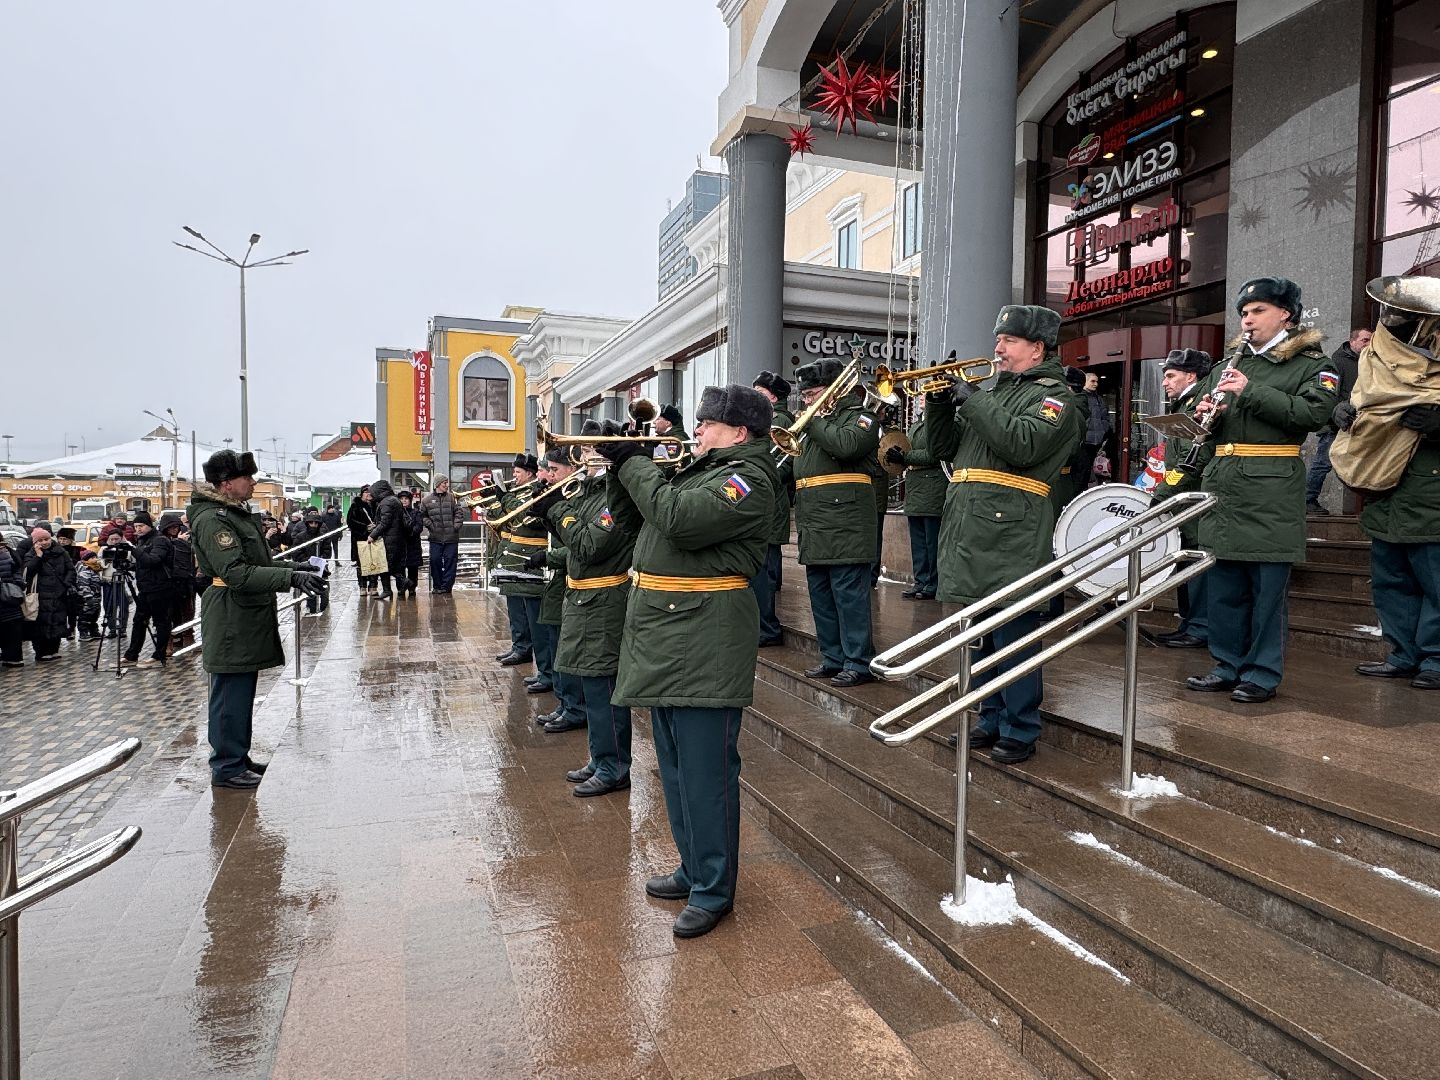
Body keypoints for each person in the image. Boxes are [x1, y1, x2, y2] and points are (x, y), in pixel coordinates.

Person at [600, 383, 779, 938]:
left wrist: (636, 466)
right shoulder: (698, 469)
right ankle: (693, 866)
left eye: (706, 424)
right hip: (672, 634)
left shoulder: (748, 479)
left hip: (706, 637)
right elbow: (634, 519)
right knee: (675, 769)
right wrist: (619, 468)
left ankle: (714, 889)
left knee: (706, 775)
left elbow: (678, 519)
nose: (695, 431)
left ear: (740, 433)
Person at [929, 304, 1081, 765]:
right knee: (982, 634)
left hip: (1011, 529)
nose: (997, 349)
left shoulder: (1056, 397)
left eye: (1009, 341)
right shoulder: (997, 392)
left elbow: (1022, 443)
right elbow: (939, 449)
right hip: (973, 525)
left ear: (1037, 349)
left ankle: (1021, 725)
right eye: (998, 340)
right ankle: (990, 716)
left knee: (1014, 633)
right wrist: (939, 404)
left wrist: (973, 399)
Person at [1185, 277, 1338, 704]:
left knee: (1267, 589)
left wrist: (1250, 391)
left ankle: (1263, 672)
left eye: (1257, 311)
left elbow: (1311, 414)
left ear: (1285, 314)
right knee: (1225, 586)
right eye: (1244, 312)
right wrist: (1205, 416)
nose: (1247, 320)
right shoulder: (1224, 365)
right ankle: (1226, 663)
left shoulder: (1313, 365)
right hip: (1226, 480)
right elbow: (1211, 429)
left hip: (1271, 483)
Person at [189, 449, 324, 789]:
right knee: (229, 695)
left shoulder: (233, 514)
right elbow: (236, 573)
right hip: (231, 614)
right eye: (247, 478)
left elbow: (259, 563)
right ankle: (226, 766)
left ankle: (238, 756)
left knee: (241, 691)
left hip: (243, 613)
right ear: (226, 484)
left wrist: (297, 568)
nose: (253, 483)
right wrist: (290, 579)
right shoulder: (213, 520)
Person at [531, 437, 639, 795]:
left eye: (594, 453)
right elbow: (570, 543)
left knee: (602, 688)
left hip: (605, 600)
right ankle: (600, 757)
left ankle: (614, 766)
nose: (585, 459)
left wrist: (557, 510)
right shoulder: (590, 492)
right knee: (593, 689)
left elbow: (590, 546)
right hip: (584, 598)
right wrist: (550, 512)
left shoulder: (613, 496)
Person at [1337, 320, 1440, 689]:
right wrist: (1343, 413)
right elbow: (1365, 403)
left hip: (1431, 495)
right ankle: (1403, 654)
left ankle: (1435, 659)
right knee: (1390, 582)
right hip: (1386, 492)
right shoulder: (1380, 362)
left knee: (1435, 585)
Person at [791, 358, 881, 687]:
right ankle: (832, 657)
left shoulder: (862, 417)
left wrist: (811, 420)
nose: (806, 401)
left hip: (846, 522)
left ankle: (858, 661)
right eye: (804, 396)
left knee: (849, 596)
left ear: (832, 391)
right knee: (821, 595)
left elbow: (847, 446)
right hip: (815, 520)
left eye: (811, 393)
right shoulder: (819, 423)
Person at [1150, 349, 1215, 649]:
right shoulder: (1187, 403)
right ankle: (1189, 622)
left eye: (1171, 375)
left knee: (1196, 565)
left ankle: (1199, 625)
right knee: (1185, 561)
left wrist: (1163, 492)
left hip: (1196, 499)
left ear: (1191, 376)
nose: (1165, 382)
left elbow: (1192, 461)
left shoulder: (1200, 404)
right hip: (1185, 499)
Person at [526, 447, 589, 733]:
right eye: (548, 470)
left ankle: (574, 707)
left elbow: (581, 546)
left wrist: (548, 557)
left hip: (573, 580)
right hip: (560, 581)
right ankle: (565, 704)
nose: (549, 475)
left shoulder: (577, 496)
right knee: (557, 645)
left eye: (554, 470)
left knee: (566, 650)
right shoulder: (567, 495)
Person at [1305, 327, 1371, 515]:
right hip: (1336, 424)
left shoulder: (1369, 361)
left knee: (1364, 464)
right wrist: (1337, 414)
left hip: (1360, 422)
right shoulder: (1337, 361)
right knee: (1323, 463)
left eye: (1370, 340)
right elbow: (1329, 394)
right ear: (1353, 342)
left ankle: (1369, 505)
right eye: (1364, 340)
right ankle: (1307, 500)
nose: (1368, 344)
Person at [750, 370, 793, 645]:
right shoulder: (766, 420)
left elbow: (784, 464)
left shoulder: (779, 421)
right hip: (767, 499)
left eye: (760, 393)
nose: (755, 396)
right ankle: (763, 626)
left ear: (773, 396)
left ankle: (768, 628)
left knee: (766, 574)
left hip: (771, 500)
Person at [887, 410, 946, 601]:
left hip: (932, 488)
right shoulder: (918, 422)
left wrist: (905, 457)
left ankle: (933, 584)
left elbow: (937, 453)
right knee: (919, 542)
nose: (923, 396)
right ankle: (920, 581)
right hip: (915, 489)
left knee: (932, 541)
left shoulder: (942, 419)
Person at [495, 453, 545, 666]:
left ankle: (526, 649)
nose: (514, 477)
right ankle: (519, 645)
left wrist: (505, 498)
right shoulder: (519, 491)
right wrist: (498, 498)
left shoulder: (535, 491)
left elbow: (528, 518)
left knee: (530, 614)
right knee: (516, 608)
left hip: (529, 556)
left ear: (530, 474)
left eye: (517, 473)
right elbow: (502, 514)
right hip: (513, 553)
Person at [123, 510, 176, 669]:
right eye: (135, 526)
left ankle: (159, 655)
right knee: (139, 621)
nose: (137, 529)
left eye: (141, 526)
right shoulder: (142, 541)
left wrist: (132, 549)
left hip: (160, 587)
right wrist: (130, 566)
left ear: (149, 525)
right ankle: (132, 655)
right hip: (145, 588)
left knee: (160, 622)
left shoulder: (159, 540)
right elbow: (143, 564)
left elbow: (153, 561)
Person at [22, 524, 74, 662]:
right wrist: (38, 557)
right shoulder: (31, 555)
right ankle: (41, 652)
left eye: (46, 539)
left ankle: (53, 649)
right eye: (40, 541)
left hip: (59, 593)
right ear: (35, 543)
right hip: (41, 595)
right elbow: (27, 572)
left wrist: (66, 584)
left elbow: (70, 569)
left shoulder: (61, 552)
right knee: (41, 625)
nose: (44, 542)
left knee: (58, 621)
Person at [421, 476, 464, 593]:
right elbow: (422, 516)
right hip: (435, 537)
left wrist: (455, 527)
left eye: (447, 482)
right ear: (437, 484)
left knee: (451, 562)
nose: (447, 485)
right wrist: (431, 525)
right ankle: (437, 586)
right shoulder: (426, 500)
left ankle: (446, 587)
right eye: (444, 483)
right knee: (435, 561)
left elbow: (459, 513)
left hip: (451, 538)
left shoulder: (452, 498)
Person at [365, 480, 405, 600]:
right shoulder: (391, 500)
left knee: (386, 565)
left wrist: (373, 534)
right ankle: (388, 589)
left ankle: (401, 583)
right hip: (394, 538)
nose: (371, 496)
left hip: (389, 539)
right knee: (386, 565)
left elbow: (385, 523)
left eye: (373, 493)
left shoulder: (387, 502)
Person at [99, 531, 133, 639]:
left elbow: (133, 562)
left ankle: (122, 628)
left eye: (116, 539)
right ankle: (112, 629)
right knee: (108, 606)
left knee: (123, 605)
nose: (114, 541)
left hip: (122, 580)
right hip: (108, 581)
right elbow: (99, 561)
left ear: (121, 538)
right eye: (111, 539)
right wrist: (106, 561)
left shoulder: (128, 547)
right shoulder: (104, 549)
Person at [0, 535, 25, 667]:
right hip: (11, 596)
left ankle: (12, 657)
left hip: (8, 596)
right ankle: (12, 657)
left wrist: (17, 584)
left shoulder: (9, 553)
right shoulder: (9, 552)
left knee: (11, 628)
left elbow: (17, 571)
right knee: (11, 628)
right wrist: (18, 584)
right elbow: (17, 571)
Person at [347, 485, 376, 594]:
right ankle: (362, 586)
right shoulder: (355, 506)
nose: (368, 494)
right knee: (361, 563)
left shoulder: (375, 505)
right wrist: (365, 527)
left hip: (373, 538)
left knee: (374, 562)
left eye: (370, 492)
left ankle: (373, 586)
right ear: (361, 493)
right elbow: (350, 521)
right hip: (360, 539)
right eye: (366, 492)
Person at [396, 491, 424, 597]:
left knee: (413, 568)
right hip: (400, 545)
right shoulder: (396, 513)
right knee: (400, 567)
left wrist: (411, 533)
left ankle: (412, 588)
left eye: (406, 499)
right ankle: (401, 588)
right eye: (401, 499)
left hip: (413, 544)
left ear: (410, 500)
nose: (404, 501)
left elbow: (419, 526)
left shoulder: (416, 512)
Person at [74, 549, 103, 641]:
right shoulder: (84, 570)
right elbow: (83, 585)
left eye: (95, 557)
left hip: (96, 598)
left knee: (94, 616)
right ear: (86, 560)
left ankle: (93, 631)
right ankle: (83, 633)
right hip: (88, 599)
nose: (95, 559)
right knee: (85, 616)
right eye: (92, 558)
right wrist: (88, 597)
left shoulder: (94, 569)